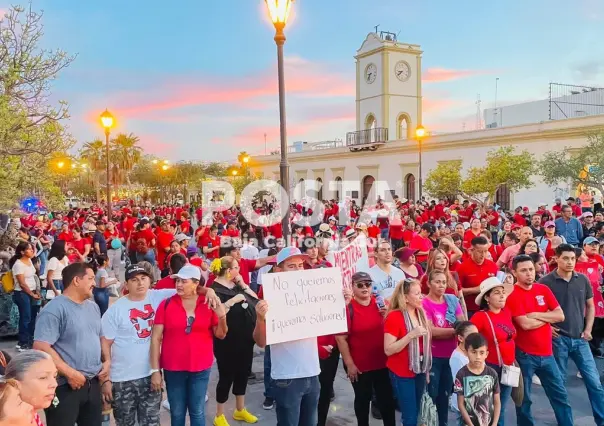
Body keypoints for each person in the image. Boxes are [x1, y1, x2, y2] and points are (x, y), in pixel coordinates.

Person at [252, 247, 351, 426]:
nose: (299, 270)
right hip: (286, 377)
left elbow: (326, 321)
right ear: (278, 270)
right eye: (292, 266)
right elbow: (261, 342)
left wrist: (341, 303)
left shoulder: (311, 293)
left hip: (313, 373)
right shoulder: (270, 299)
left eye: (300, 265)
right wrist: (260, 319)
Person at [150, 264, 228, 426]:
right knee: (177, 413)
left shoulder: (208, 303)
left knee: (197, 412)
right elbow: (156, 338)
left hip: (201, 368)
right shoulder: (166, 304)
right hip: (173, 369)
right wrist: (155, 370)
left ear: (195, 284)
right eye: (177, 280)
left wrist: (222, 317)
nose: (178, 284)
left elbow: (221, 334)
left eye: (183, 281)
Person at [33, 262, 109, 426]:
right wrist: (70, 374)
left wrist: (107, 361)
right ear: (76, 280)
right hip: (64, 387)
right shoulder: (54, 309)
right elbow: (41, 347)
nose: (94, 283)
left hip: (92, 383)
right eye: (90, 278)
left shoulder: (93, 307)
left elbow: (101, 336)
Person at [505, 254, 573, 426]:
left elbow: (560, 315)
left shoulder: (543, 290)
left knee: (560, 396)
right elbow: (525, 324)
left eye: (530, 269)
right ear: (514, 272)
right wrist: (547, 319)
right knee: (524, 400)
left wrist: (537, 315)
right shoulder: (513, 295)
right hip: (525, 355)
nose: (529, 273)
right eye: (523, 270)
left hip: (548, 354)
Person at [539, 244, 604, 425]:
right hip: (558, 340)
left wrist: (588, 329)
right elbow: (535, 308)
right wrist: (547, 326)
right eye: (565, 258)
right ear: (556, 259)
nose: (569, 262)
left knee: (595, 384)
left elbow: (590, 305)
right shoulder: (545, 282)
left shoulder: (582, 280)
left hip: (580, 339)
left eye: (572, 259)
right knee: (559, 386)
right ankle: (565, 422)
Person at [336, 271, 396, 426]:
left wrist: (387, 317)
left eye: (368, 284)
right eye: (360, 285)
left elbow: (394, 329)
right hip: (360, 365)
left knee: (387, 400)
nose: (365, 288)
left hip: (383, 362)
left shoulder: (382, 304)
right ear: (352, 287)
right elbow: (340, 338)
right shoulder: (348, 309)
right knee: (363, 399)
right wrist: (349, 364)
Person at [209, 257, 260, 426]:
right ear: (228, 270)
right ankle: (219, 414)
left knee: (243, 373)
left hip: (245, 338)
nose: (239, 270)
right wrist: (233, 300)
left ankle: (240, 409)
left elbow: (256, 301)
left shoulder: (237, 285)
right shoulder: (215, 289)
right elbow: (217, 312)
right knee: (226, 376)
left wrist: (244, 285)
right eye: (237, 267)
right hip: (227, 342)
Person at [384, 278, 431, 426]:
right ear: (405, 297)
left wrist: (427, 370)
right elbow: (388, 349)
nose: (421, 296)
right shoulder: (394, 316)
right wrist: (410, 335)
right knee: (409, 416)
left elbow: (426, 345)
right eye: (416, 293)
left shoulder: (421, 313)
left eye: (420, 292)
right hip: (402, 373)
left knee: (417, 413)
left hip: (420, 370)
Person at [471, 277, 517, 426]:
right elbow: (468, 340)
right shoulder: (480, 317)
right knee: (489, 410)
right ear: (487, 297)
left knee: (500, 408)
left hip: (509, 366)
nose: (502, 295)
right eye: (497, 293)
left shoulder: (506, 312)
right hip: (490, 368)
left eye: (502, 292)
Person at [422, 270, 464, 426]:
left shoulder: (452, 300)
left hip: (451, 356)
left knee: (445, 395)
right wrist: (455, 331)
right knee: (431, 395)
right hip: (433, 356)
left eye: (444, 282)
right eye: (437, 282)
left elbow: (463, 323)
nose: (441, 285)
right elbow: (431, 331)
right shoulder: (424, 303)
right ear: (428, 283)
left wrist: (452, 331)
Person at [454, 333, 501, 426]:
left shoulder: (492, 374)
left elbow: (497, 402)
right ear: (467, 352)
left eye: (481, 352)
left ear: (486, 354)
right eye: (474, 352)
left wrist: (495, 423)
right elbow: (460, 404)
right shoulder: (461, 374)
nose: (478, 357)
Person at [5, 350, 58, 426]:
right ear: (15, 384)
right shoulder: (11, 422)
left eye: (55, 376)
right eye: (43, 377)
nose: (54, 384)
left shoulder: (31, 415)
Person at [10, 241, 41, 351]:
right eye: (29, 249)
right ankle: (23, 342)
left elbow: (33, 276)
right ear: (22, 252)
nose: (32, 250)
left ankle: (29, 339)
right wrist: (32, 294)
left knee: (33, 316)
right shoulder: (18, 264)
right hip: (23, 294)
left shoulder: (29, 261)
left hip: (32, 292)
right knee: (26, 317)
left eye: (32, 249)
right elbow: (22, 283)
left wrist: (36, 291)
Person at [457, 236, 498, 318]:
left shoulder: (492, 266)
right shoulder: (462, 267)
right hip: (470, 310)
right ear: (472, 250)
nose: (483, 255)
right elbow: (457, 291)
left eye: (485, 251)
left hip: (489, 308)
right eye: (480, 251)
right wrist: (476, 289)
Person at [449, 321, 479, 423]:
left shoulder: (471, 353)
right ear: (460, 338)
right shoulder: (458, 358)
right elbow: (462, 385)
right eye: (472, 335)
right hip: (465, 406)